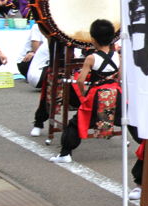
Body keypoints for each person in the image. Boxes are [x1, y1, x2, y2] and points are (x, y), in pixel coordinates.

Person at [50, 20, 121, 163]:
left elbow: (80, 80)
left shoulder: (91, 58)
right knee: (125, 119)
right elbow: (120, 76)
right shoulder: (117, 55)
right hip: (115, 93)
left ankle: (65, 154)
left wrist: (84, 94)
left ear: (93, 39)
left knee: (76, 123)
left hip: (96, 94)